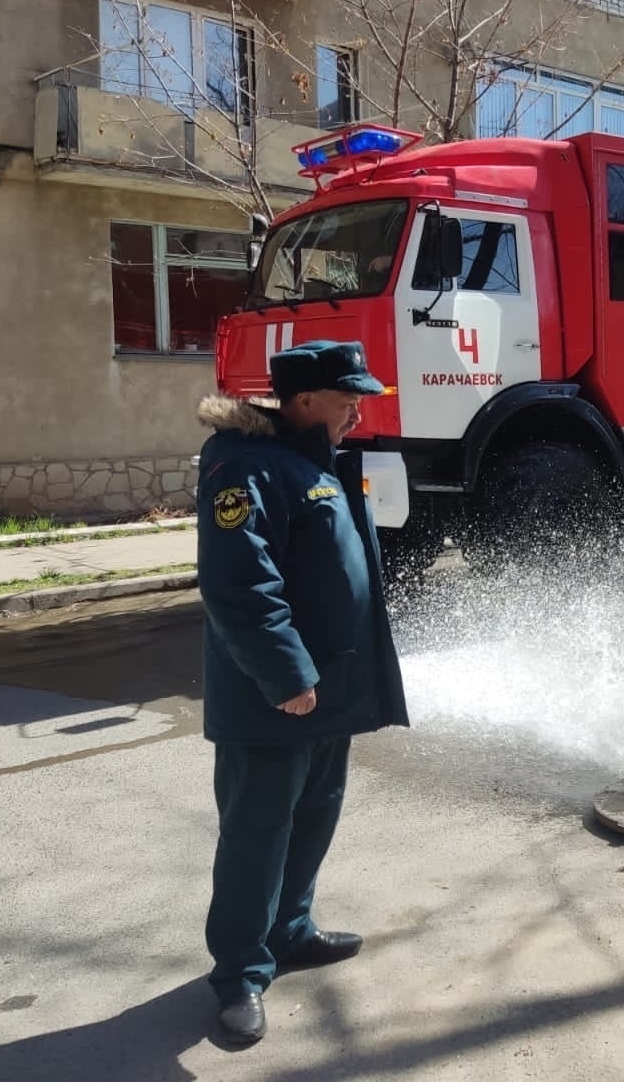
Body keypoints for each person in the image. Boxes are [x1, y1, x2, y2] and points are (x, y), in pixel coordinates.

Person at [194, 339, 410, 1046]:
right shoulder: (241, 465)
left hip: (331, 693)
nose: (357, 410)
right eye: (348, 399)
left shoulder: (311, 462)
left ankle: (289, 932)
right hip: (275, 696)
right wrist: (286, 675)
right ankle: (238, 973)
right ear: (304, 400)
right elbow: (239, 587)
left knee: (315, 814)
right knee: (258, 830)